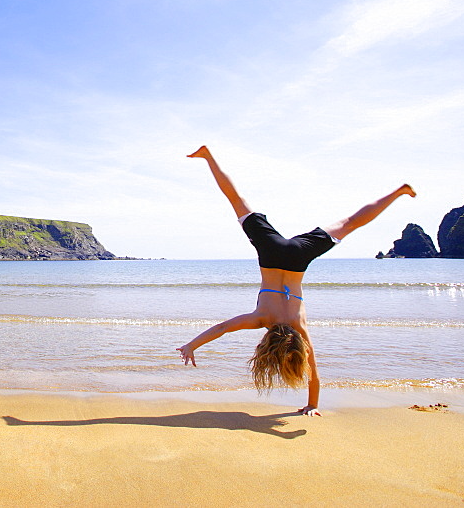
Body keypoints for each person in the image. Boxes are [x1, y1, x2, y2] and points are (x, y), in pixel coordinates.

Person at [176, 146, 415, 416]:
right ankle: (208, 156)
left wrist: (313, 404)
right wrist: (191, 345)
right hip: (272, 254)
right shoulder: (261, 318)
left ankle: (398, 192)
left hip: (298, 258)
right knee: (238, 203)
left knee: (350, 223)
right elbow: (221, 328)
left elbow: (313, 370)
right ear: (266, 342)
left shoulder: (298, 326)